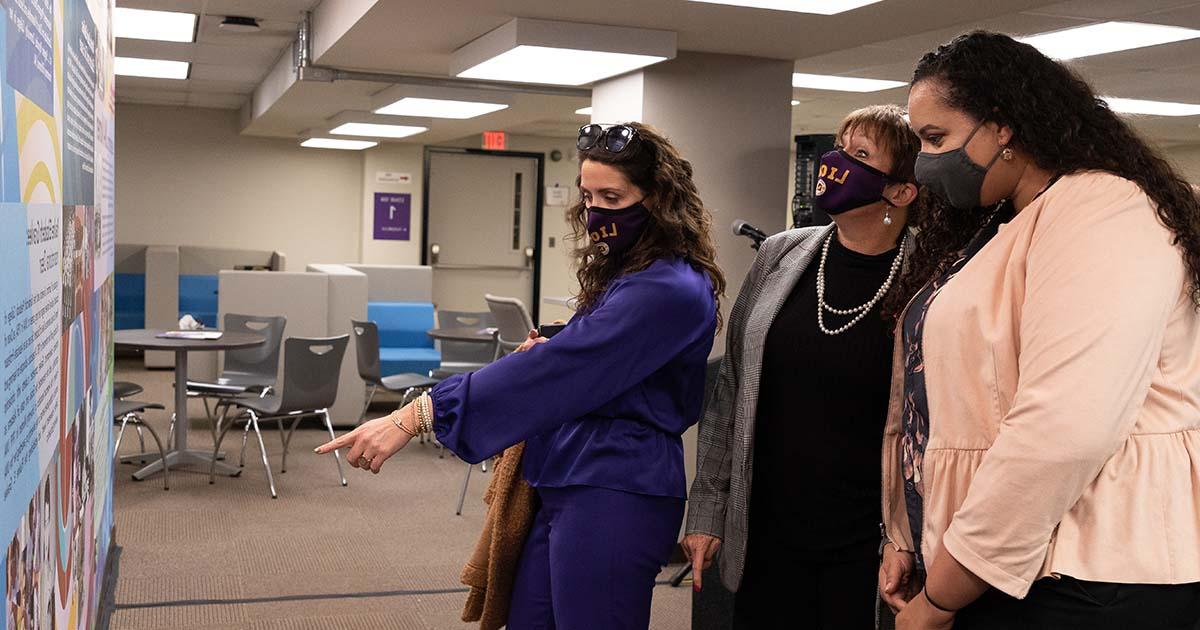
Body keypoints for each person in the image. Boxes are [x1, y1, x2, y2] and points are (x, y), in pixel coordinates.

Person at [317, 121, 726, 629]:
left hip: (615, 484)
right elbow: (590, 349)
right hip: (565, 473)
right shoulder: (632, 273)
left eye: (612, 197)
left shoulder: (670, 287)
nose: (596, 210)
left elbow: (563, 369)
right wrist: (562, 338)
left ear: (658, 199)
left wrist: (418, 414)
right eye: (588, 195)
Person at [878, 31, 1200, 630]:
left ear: (1003, 128)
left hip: (1088, 574)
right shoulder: (1005, 221)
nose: (923, 163)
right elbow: (936, 401)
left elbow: (1064, 427)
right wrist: (907, 532)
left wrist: (944, 592)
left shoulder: (1104, 210)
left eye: (935, 138)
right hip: (1002, 565)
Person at [683, 104, 922, 629]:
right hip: (768, 527)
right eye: (839, 148)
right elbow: (731, 392)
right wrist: (707, 509)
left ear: (902, 192)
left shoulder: (929, 276)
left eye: (859, 156)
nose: (835, 163)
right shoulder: (779, 255)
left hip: (866, 539)